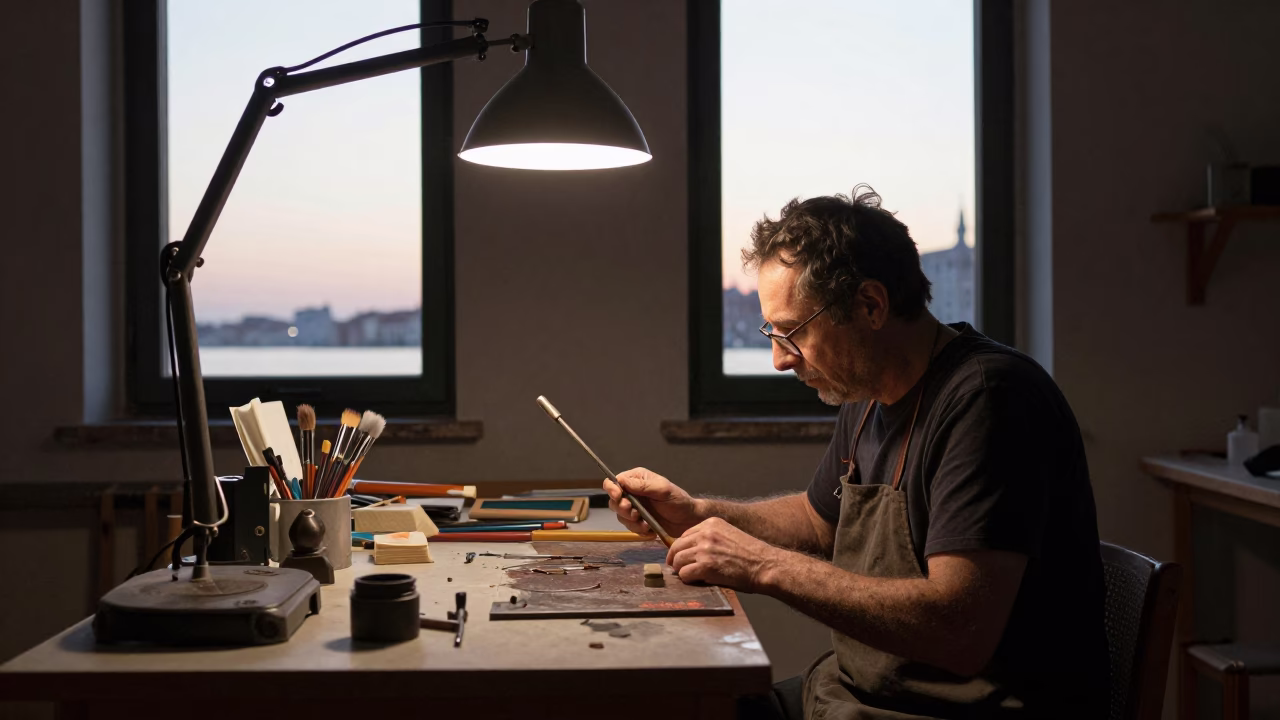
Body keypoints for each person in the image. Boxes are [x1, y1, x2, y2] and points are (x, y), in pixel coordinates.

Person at [605, 187, 1108, 719]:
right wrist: (699, 513)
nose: (778, 359)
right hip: (858, 695)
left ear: (870, 305)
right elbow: (821, 520)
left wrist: (760, 566)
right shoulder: (868, 392)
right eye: (771, 332)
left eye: (793, 332)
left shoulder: (989, 400)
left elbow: (960, 631)